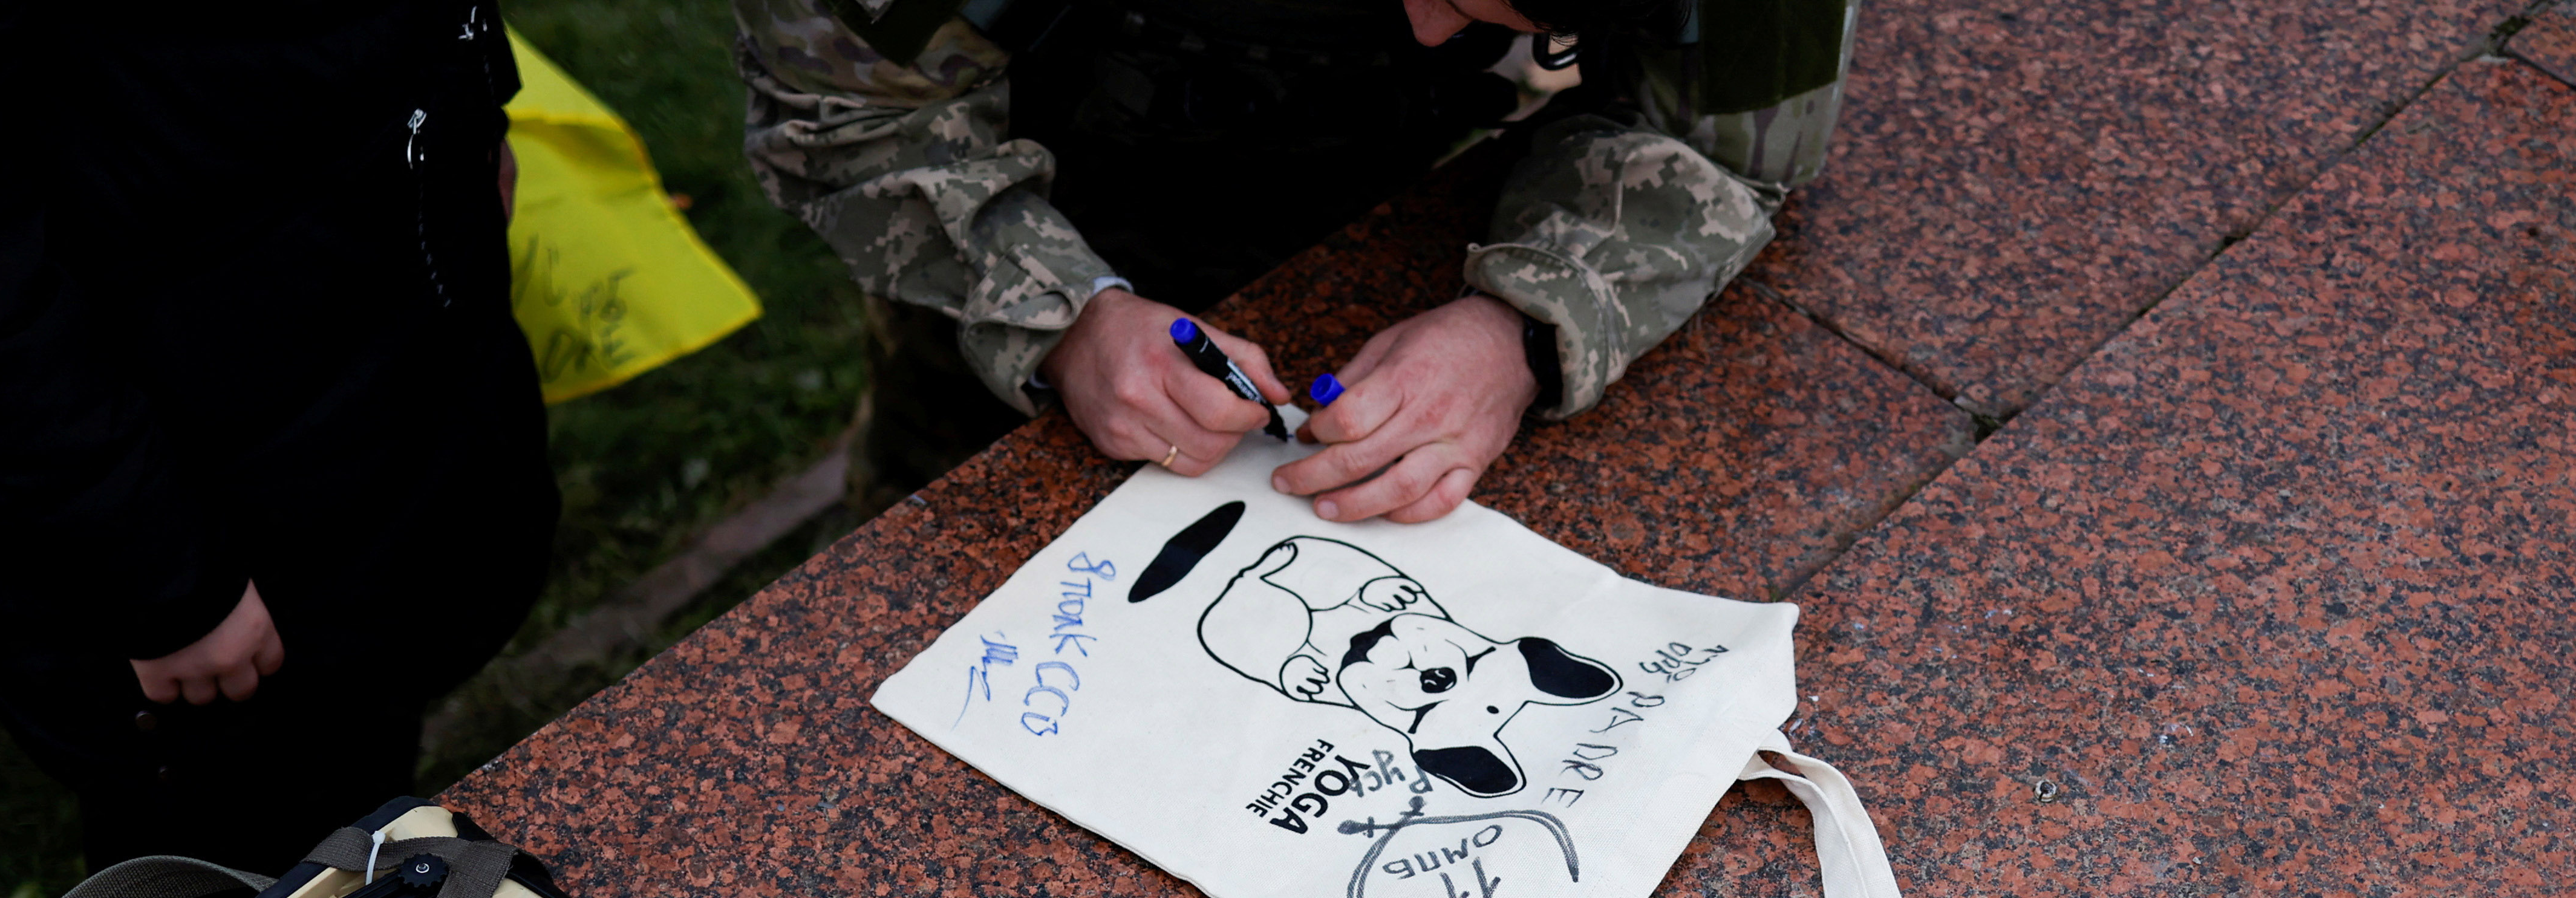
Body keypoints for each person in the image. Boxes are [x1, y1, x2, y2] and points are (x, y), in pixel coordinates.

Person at [0, 0, 560, 898]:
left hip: (362, 360)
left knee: (363, 731)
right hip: (193, 507)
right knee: (224, 890)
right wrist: (155, 576)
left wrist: (471, 97)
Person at [738, 0, 1851, 521]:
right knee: (942, 526)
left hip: (1381, 180)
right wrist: (1061, 317)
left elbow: (1721, 139)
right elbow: (851, 119)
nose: (1430, 29)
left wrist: (1524, 321)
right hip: (1011, 171)